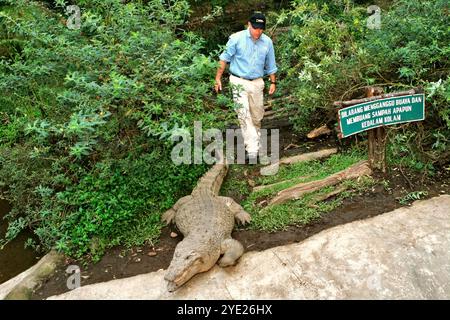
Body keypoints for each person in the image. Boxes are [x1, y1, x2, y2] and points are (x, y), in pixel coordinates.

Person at [214, 12, 277, 163]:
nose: (258, 31)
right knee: (243, 113)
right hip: (238, 80)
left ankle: (255, 143)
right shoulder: (236, 38)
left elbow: (271, 65)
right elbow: (224, 59)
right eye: (255, 28)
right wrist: (217, 78)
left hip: (257, 82)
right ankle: (252, 151)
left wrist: (273, 82)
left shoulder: (267, 42)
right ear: (248, 24)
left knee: (257, 116)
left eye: (261, 29)